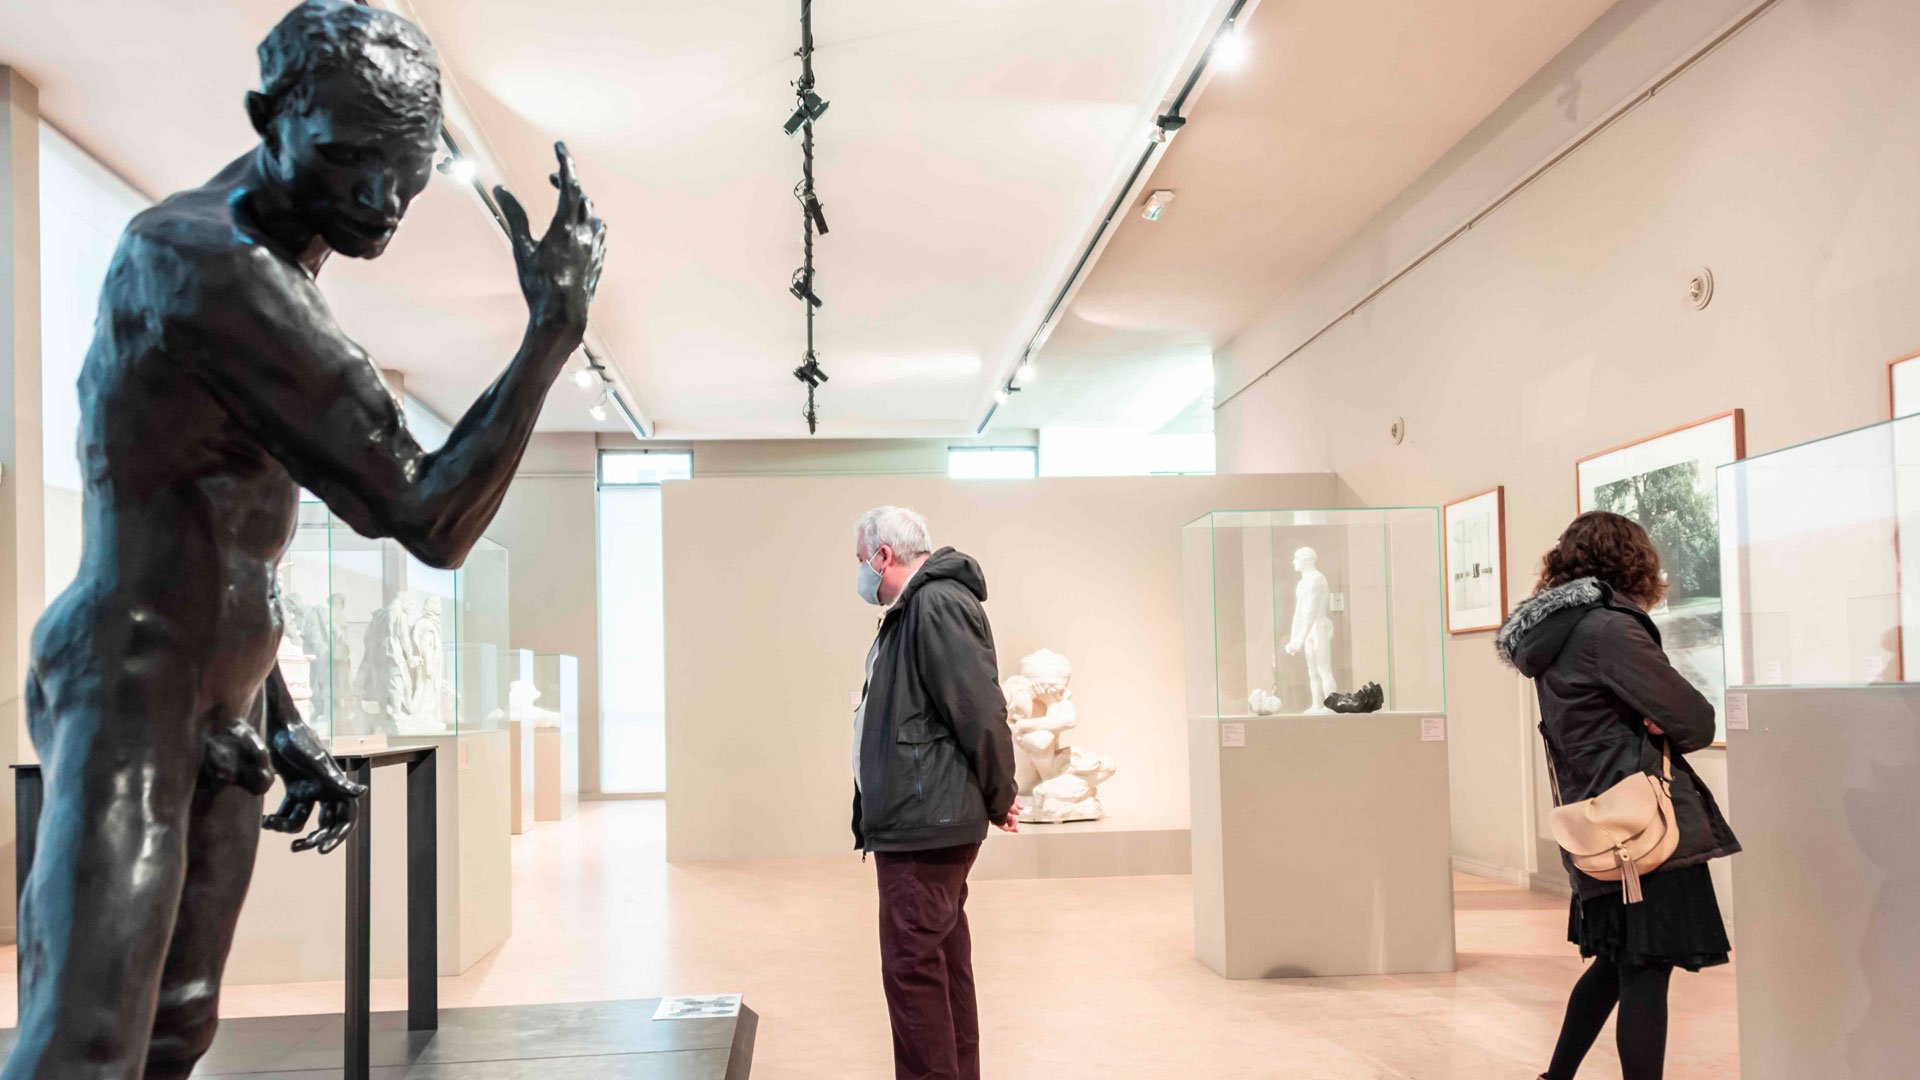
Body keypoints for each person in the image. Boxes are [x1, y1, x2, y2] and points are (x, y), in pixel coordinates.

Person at [5, 2, 606, 1077]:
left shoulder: (281, 268)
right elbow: (427, 516)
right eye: (347, 164)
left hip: (216, 692)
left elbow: (215, 526)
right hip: (129, 686)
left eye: (405, 172)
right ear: (265, 121)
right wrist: (552, 333)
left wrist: (277, 713)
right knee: (84, 1041)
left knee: (178, 1021)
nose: (379, 203)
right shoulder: (206, 267)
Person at [1496, 511, 1740, 1080]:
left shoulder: (1554, 638)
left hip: (1598, 822)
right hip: (1645, 826)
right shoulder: (1612, 630)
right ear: (1633, 561)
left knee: (1616, 963)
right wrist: (1656, 721)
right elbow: (1695, 721)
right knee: (1646, 971)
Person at [850, 506, 1020, 1080]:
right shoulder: (918, 607)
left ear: (883, 556)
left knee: (914, 969)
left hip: (924, 822)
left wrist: (1001, 793)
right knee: (940, 964)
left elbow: (979, 707)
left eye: (861, 562)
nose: (862, 577)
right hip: (924, 817)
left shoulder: (935, 603)